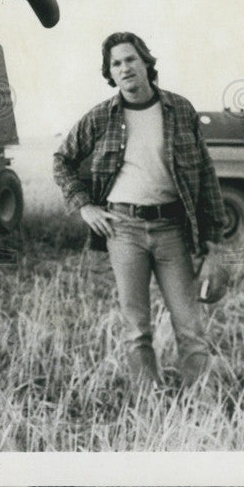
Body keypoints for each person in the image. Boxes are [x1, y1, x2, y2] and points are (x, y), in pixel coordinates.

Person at [52, 32, 228, 388]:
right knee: (136, 328)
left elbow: (206, 177)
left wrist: (214, 246)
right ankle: (147, 403)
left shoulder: (180, 110)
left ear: (147, 62)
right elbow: (62, 160)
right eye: (116, 63)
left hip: (172, 229)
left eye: (130, 59)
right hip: (123, 230)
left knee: (190, 325)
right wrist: (84, 206)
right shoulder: (102, 116)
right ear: (110, 74)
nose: (124, 68)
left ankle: (199, 403)